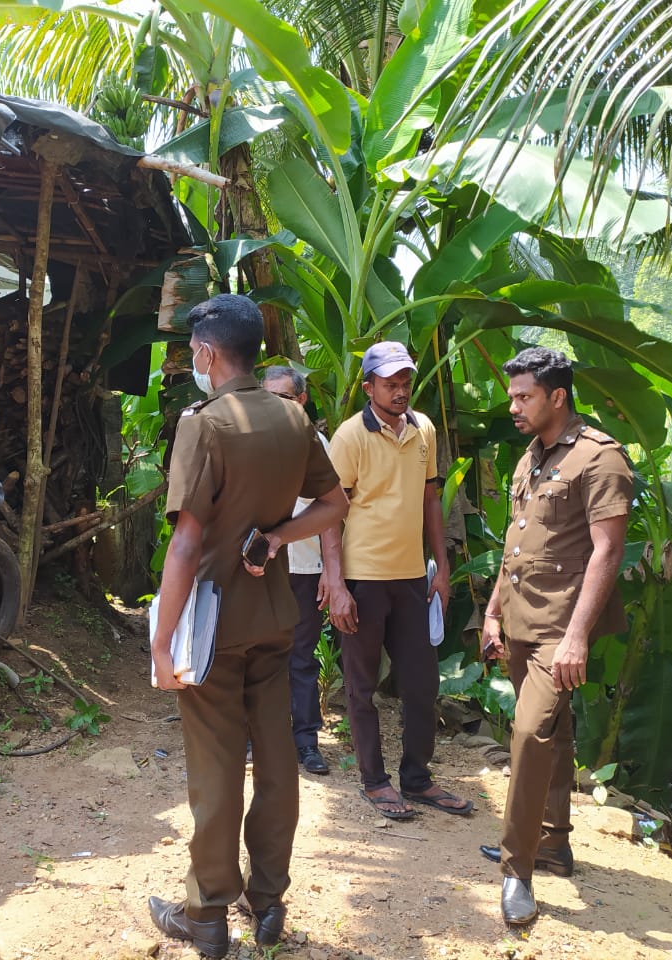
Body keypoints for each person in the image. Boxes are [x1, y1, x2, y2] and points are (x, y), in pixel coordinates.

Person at [148, 295, 348, 959]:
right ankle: (267, 901)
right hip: (275, 621)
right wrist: (276, 536)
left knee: (216, 771)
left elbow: (185, 545)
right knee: (279, 762)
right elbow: (334, 504)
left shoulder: (206, 425)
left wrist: (159, 642)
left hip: (211, 628)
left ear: (207, 354)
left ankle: (206, 913)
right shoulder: (293, 419)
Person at [477, 347, 631, 926]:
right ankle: (553, 842)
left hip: (559, 629)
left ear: (557, 397)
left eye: (524, 397)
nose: (512, 405)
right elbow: (517, 543)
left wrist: (576, 638)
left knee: (529, 733)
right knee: (552, 731)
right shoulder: (532, 456)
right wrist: (492, 613)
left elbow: (608, 550)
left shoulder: (600, 458)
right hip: (520, 620)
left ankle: (517, 871)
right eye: (512, 395)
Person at [325, 342, 471, 820]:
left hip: (412, 578)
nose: (401, 391)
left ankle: (417, 778)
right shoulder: (350, 437)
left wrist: (441, 566)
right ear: (369, 388)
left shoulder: (424, 430)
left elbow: (431, 500)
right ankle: (374, 780)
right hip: (363, 579)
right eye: (390, 384)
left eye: (405, 382)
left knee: (421, 684)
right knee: (361, 685)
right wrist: (335, 582)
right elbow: (331, 514)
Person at [260, 365, 335, 775]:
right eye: (269, 398)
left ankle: (306, 742)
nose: (277, 407)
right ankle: (261, 738)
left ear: (302, 400)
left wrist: (330, 570)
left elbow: (331, 512)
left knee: (301, 657)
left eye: (285, 399)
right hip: (259, 567)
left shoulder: (317, 443)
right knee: (259, 655)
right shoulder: (251, 439)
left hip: (305, 568)